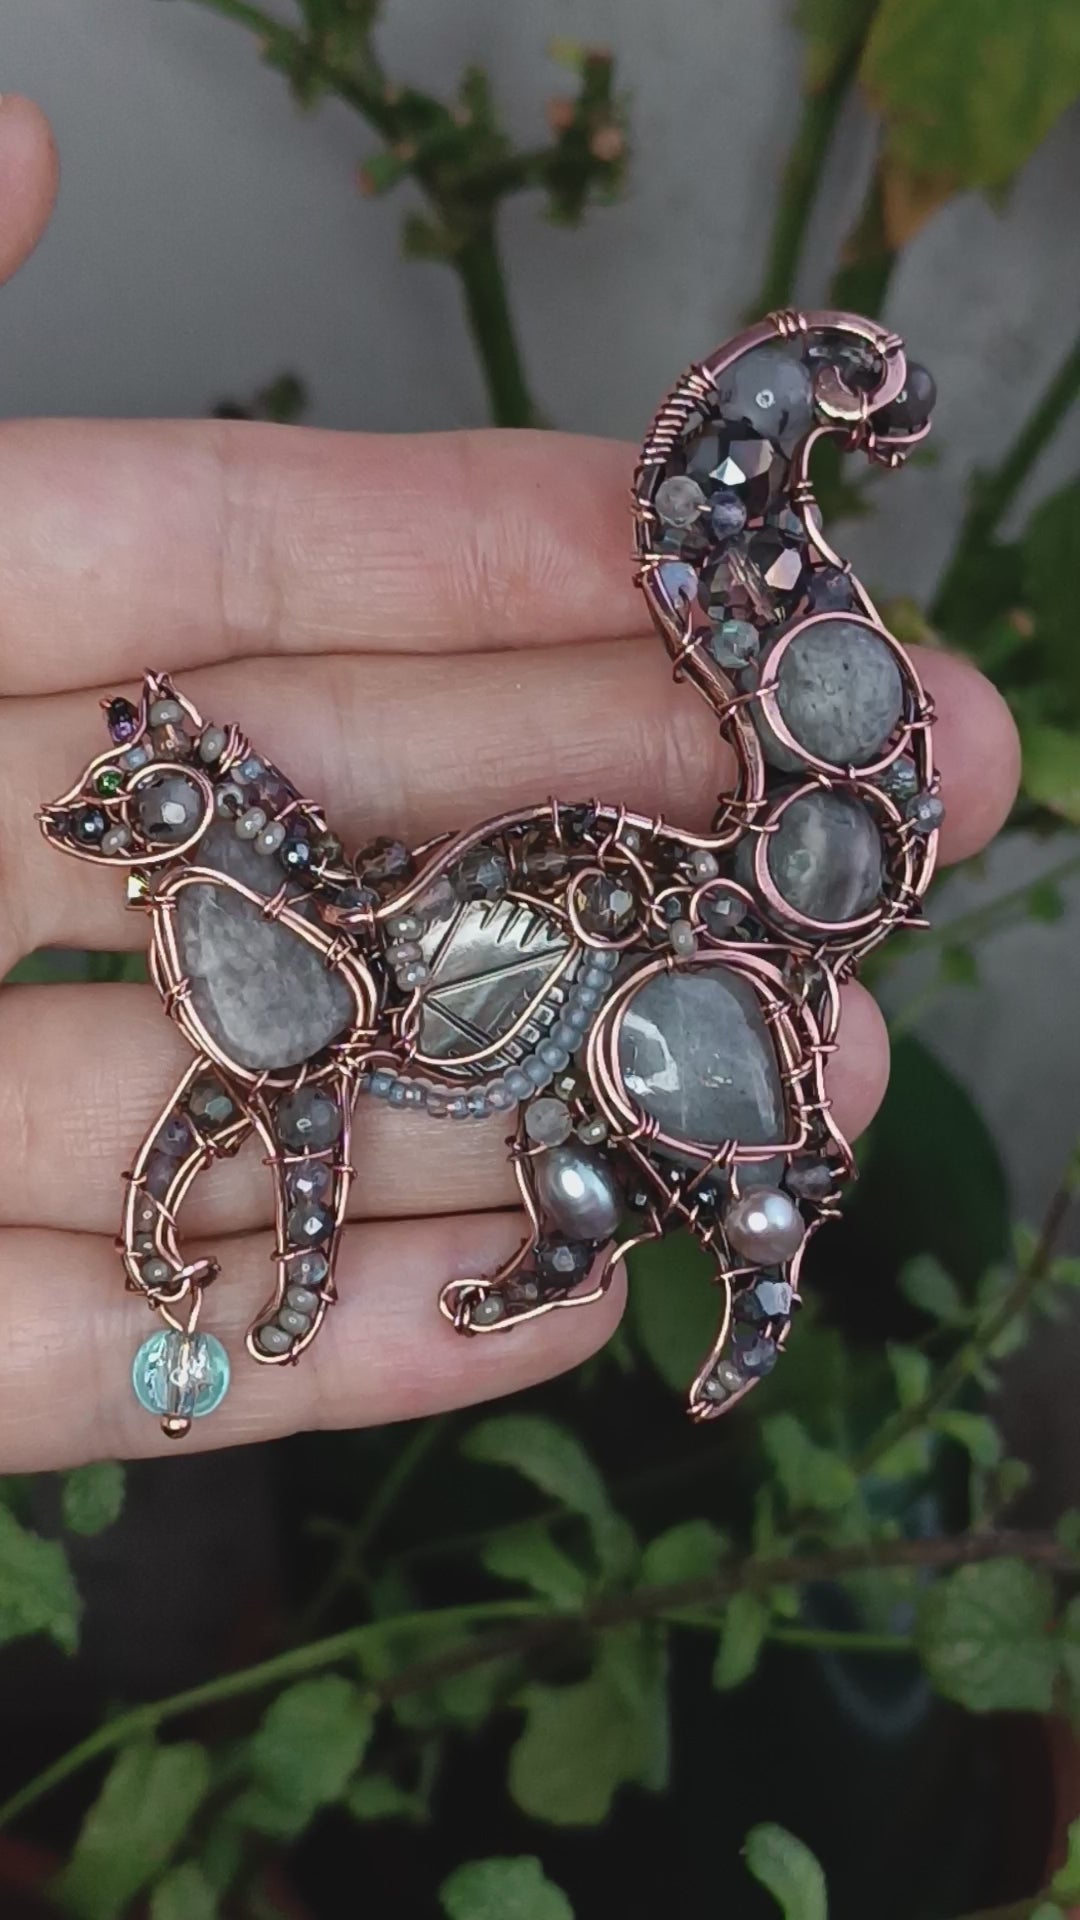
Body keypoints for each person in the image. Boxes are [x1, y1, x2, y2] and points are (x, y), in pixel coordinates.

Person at [0, 96, 1020, 1470]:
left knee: (664, 1093)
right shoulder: (260, 935)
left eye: (149, 810)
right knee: (571, 1129)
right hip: (494, 944)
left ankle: (761, 1286)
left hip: (617, 926)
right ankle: (565, 1253)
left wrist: (297, 1278)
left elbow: (302, 1103)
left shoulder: (319, 952)